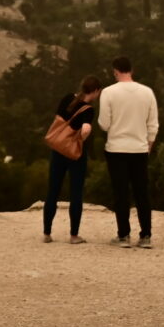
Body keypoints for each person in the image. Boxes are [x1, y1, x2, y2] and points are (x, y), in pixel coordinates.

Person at [98, 56, 159, 249]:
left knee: (121, 193)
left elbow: (104, 124)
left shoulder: (108, 92)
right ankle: (146, 235)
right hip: (139, 149)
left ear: (115, 70)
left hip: (116, 148)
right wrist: (148, 144)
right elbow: (153, 124)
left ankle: (123, 235)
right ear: (131, 70)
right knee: (142, 192)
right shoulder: (147, 92)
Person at [42, 75, 101, 244]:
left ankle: (47, 233)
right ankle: (74, 235)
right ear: (95, 91)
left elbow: (58, 117)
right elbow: (85, 130)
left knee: (53, 190)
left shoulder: (68, 98)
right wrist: (82, 136)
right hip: (74, 153)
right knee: (76, 193)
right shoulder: (88, 109)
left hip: (58, 149)